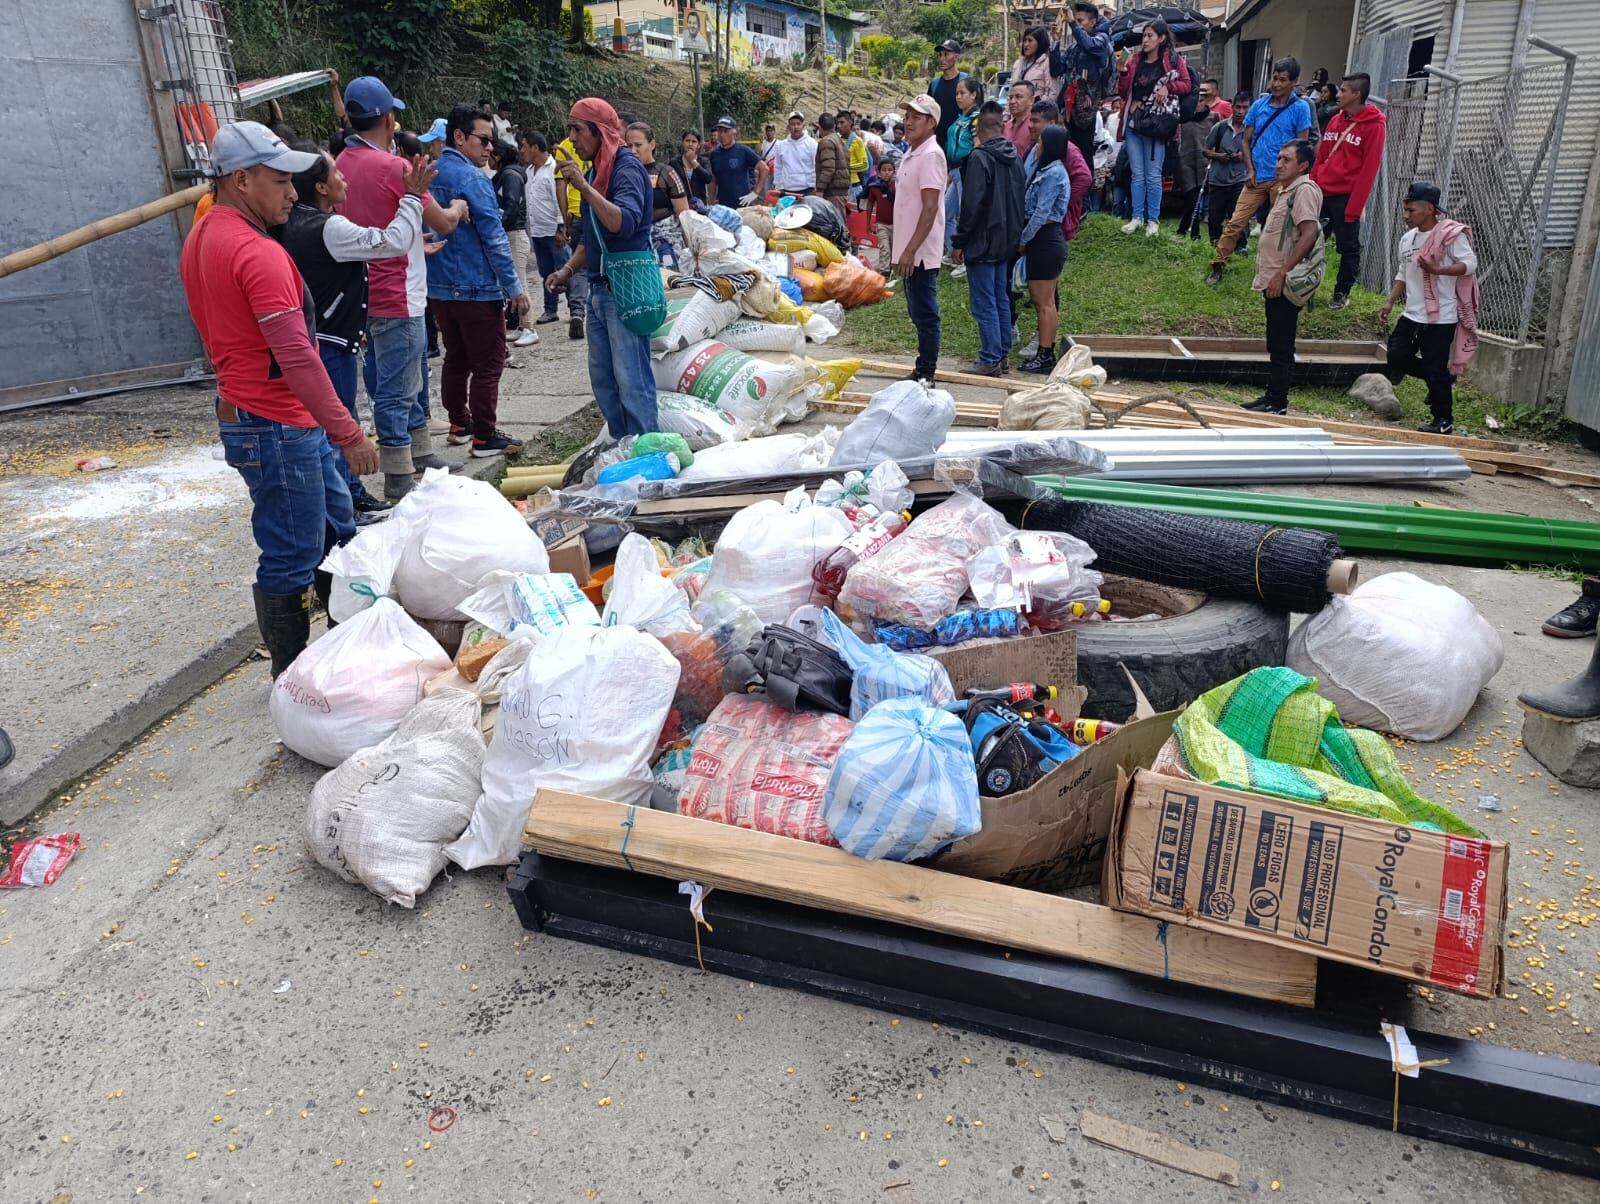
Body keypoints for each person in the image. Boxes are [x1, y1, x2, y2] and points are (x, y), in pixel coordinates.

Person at [180, 122, 379, 675]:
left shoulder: (203, 233)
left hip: (268, 417)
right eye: (280, 181)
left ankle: (352, 645)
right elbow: (296, 356)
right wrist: (347, 431)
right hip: (274, 422)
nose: (294, 192)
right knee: (292, 551)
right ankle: (292, 675)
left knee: (337, 527)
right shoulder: (253, 252)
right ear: (241, 181)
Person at [277, 146, 435, 518]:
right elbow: (392, 242)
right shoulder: (327, 227)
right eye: (336, 173)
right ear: (319, 186)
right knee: (338, 422)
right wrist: (411, 198)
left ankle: (349, 495)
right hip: (329, 341)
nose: (344, 177)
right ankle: (345, 505)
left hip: (319, 335)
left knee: (332, 420)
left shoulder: (291, 222)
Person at [336, 76, 464, 500]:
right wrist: (459, 208)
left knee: (407, 378)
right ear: (389, 119)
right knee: (397, 386)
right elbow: (441, 220)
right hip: (399, 292)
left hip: (361, 291)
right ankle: (397, 474)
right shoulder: (395, 168)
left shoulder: (340, 165)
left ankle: (420, 453)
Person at [545, 98, 657, 440]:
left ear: (601, 132)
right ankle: (623, 443)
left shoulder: (626, 169)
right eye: (570, 129)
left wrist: (584, 188)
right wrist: (567, 270)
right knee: (604, 378)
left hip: (624, 289)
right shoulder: (596, 171)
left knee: (631, 377)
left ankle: (645, 449)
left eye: (578, 130)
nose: (572, 138)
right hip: (599, 289)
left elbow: (622, 222)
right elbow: (592, 236)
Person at [426, 105, 528, 459]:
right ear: (458, 136)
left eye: (492, 141)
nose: (489, 148)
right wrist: (515, 288)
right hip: (475, 287)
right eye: (483, 139)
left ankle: (460, 422)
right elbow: (495, 237)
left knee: (456, 357)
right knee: (489, 362)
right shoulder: (473, 180)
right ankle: (484, 435)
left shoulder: (430, 173)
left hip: (439, 288)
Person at [1379, 182, 1478, 435]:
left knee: (1435, 367)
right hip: (1412, 312)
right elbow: (1403, 271)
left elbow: (1470, 264)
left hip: (1441, 316)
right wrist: (1390, 300)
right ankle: (1441, 378)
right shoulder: (1407, 239)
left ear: (1429, 209)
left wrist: (1439, 270)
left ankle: (1443, 420)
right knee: (1396, 355)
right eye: (1405, 209)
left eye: (1411, 210)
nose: (1405, 215)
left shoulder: (1450, 236)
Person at [1206, 58, 1312, 284]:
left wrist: (1291, 180)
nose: (1276, 84)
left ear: (1293, 82)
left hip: (1282, 181)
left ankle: (1279, 272)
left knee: (1280, 228)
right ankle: (1217, 265)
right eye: (1275, 78)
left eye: (1282, 80)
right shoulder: (1258, 106)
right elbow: (1245, 141)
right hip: (1257, 177)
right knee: (1236, 222)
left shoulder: (1301, 108)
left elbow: (1301, 148)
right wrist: (1250, 169)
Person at [1247, 140, 1322, 416]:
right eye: (1278, 158)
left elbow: (1309, 233)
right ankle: (1271, 396)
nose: (1279, 163)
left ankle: (1277, 402)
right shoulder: (1285, 190)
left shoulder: (1304, 190)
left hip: (1285, 280)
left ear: (1302, 165)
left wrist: (1283, 272)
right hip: (1274, 278)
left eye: (1286, 159)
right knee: (1275, 341)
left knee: (1281, 343)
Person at [952, 109, 1024, 377]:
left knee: (984, 301)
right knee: (1000, 298)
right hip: (1005, 241)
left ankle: (990, 358)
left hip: (981, 241)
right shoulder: (1014, 157)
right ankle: (1001, 354)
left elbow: (971, 205)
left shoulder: (979, 158)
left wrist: (959, 241)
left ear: (978, 131)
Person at [1312, 72, 1386, 310]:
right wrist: (1313, 186)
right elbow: (1321, 156)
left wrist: (1354, 208)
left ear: (1356, 94)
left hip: (1345, 197)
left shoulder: (1374, 126)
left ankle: (1341, 292)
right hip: (1322, 192)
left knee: (1348, 248)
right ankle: (1305, 287)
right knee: (1309, 241)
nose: (1339, 94)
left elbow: (1369, 169)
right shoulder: (1335, 120)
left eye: (1343, 90)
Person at [892, 95, 948, 388]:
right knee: (917, 310)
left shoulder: (930, 155)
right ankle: (922, 369)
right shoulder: (912, 152)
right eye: (907, 116)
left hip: (920, 252)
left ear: (931, 123)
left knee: (925, 312)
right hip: (908, 250)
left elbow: (930, 208)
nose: (909, 121)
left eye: (917, 117)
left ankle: (926, 372)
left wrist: (910, 250)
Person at [1117, 18, 1191, 237]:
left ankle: (1153, 220)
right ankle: (1137, 217)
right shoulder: (1135, 60)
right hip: (1134, 122)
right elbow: (1123, 92)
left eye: (1150, 36)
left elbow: (1187, 84)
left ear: (1162, 38)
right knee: (1137, 174)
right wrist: (1122, 71)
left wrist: (1168, 87)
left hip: (1157, 124)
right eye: (1144, 36)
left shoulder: (1171, 60)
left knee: (1153, 174)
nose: (1145, 40)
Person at [1018, 125, 1072, 375]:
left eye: (1040, 142)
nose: (1036, 146)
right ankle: (1044, 353)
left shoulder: (1054, 174)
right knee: (1043, 301)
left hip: (1045, 240)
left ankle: (1045, 355)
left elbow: (1041, 213)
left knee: (1044, 303)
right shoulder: (1045, 168)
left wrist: (1023, 239)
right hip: (1042, 240)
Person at [520, 130, 578, 331]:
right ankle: (551, 309)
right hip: (537, 230)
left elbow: (559, 199)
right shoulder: (529, 172)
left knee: (565, 269)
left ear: (535, 148)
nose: (522, 151)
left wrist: (561, 227)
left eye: (524, 146)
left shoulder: (553, 168)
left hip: (554, 230)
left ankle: (575, 309)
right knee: (545, 272)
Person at [1058, 1, 1115, 169]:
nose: (1078, 26)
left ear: (1093, 22)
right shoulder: (1075, 45)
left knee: (1083, 151)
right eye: (1076, 21)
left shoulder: (1102, 40)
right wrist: (1055, 43)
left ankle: (1086, 191)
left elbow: (1090, 45)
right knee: (1069, 150)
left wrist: (1072, 24)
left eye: (1080, 21)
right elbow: (1058, 68)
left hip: (1086, 105)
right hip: (1070, 103)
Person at [491, 139, 536, 350]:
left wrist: (497, 225)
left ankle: (529, 327)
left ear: (497, 156)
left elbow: (511, 206)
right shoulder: (504, 175)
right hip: (509, 233)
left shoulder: (510, 176)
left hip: (515, 234)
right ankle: (520, 325)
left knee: (519, 281)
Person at [625, 121, 688, 265]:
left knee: (667, 281)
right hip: (634, 245)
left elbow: (684, 214)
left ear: (652, 144)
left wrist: (691, 250)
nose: (633, 151)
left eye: (638, 145)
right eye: (629, 146)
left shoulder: (667, 173)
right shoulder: (623, 174)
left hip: (665, 242)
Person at [551, 133, 591, 339]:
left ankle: (577, 312)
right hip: (598, 211)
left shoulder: (565, 146)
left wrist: (564, 221)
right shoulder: (597, 144)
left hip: (575, 214)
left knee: (579, 266)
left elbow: (561, 186)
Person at [944, 77, 982, 274]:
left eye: (963, 93)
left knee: (965, 214)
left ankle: (967, 258)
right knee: (945, 211)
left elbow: (978, 146)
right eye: (957, 93)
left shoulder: (976, 118)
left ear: (974, 95)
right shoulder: (962, 117)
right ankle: (953, 253)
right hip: (955, 170)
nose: (958, 97)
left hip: (966, 171)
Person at [1173, 92, 1216, 241]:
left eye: (1201, 101)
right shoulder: (1181, 119)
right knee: (1192, 196)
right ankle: (1194, 233)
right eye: (1195, 101)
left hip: (1205, 162)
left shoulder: (1213, 118)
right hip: (1185, 162)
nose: (1198, 105)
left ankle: (1183, 230)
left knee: (1198, 197)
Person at [706, 116, 767, 207]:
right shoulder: (715, 154)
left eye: (726, 131)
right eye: (720, 131)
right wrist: (710, 202)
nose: (722, 135)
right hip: (723, 205)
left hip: (743, 204)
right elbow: (713, 180)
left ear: (734, 133)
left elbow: (764, 169)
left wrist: (755, 193)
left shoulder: (743, 151)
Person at [929, 40, 967, 160]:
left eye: (946, 54)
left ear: (956, 57)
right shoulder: (934, 84)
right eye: (940, 55)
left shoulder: (966, 82)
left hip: (960, 146)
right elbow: (929, 113)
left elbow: (976, 115)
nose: (942, 58)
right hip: (937, 146)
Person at [1010, 27, 1061, 114]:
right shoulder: (1018, 64)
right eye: (1025, 40)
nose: (1026, 44)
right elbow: (1011, 93)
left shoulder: (1047, 62)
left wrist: (1037, 113)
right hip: (1016, 117)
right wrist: (1006, 117)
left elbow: (1051, 93)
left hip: (1036, 117)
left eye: (1030, 40)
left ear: (1040, 43)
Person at [768, 111, 817, 198]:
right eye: (793, 124)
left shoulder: (812, 144)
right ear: (788, 127)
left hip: (808, 190)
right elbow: (778, 167)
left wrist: (815, 186)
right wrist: (778, 186)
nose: (796, 127)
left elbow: (816, 166)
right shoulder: (781, 146)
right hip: (786, 190)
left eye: (798, 124)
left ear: (803, 125)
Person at [862, 155, 896, 269]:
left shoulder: (898, 186)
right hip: (881, 224)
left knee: (894, 248)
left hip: (897, 224)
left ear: (894, 172)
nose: (887, 173)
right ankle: (884, 271)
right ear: (879, 172)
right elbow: (870, 204)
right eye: (884, 170)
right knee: (884, 248)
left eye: (890, 170)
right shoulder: (874, 188)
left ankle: (893, 271)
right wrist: (868, 223)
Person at [814, 112, 850, 217]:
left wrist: (820, 189)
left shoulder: (826, 142)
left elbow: (828, 169)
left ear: (820, 127)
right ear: (834, 126)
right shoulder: (839, 140)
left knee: (837, 224)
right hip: (841, 190)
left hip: (832, 192)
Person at [672, 129, 713, 206]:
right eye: (687, 141)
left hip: (700, 206)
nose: (690, 144)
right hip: (681, 206)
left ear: (698, 145)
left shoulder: (704, 161)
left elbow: (708, 179)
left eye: (694, 141)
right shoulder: (675, 163)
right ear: (683, 143)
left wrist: (694, 162)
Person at [839, 111, 869, 202]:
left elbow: (864, 165)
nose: (839, 126)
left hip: (853, 185)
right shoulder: (839, 140)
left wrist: (846, 167)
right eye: (837, 123)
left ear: (850, 123)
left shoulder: (857, 141)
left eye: (842, 122)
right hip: (840, 185)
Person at [1003, 79, 1036, 159]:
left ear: (1031, 100)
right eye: (1010, 97)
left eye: (1018, 97)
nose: (1012, 101)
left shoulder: (1035, 127)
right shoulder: (1005, 127)